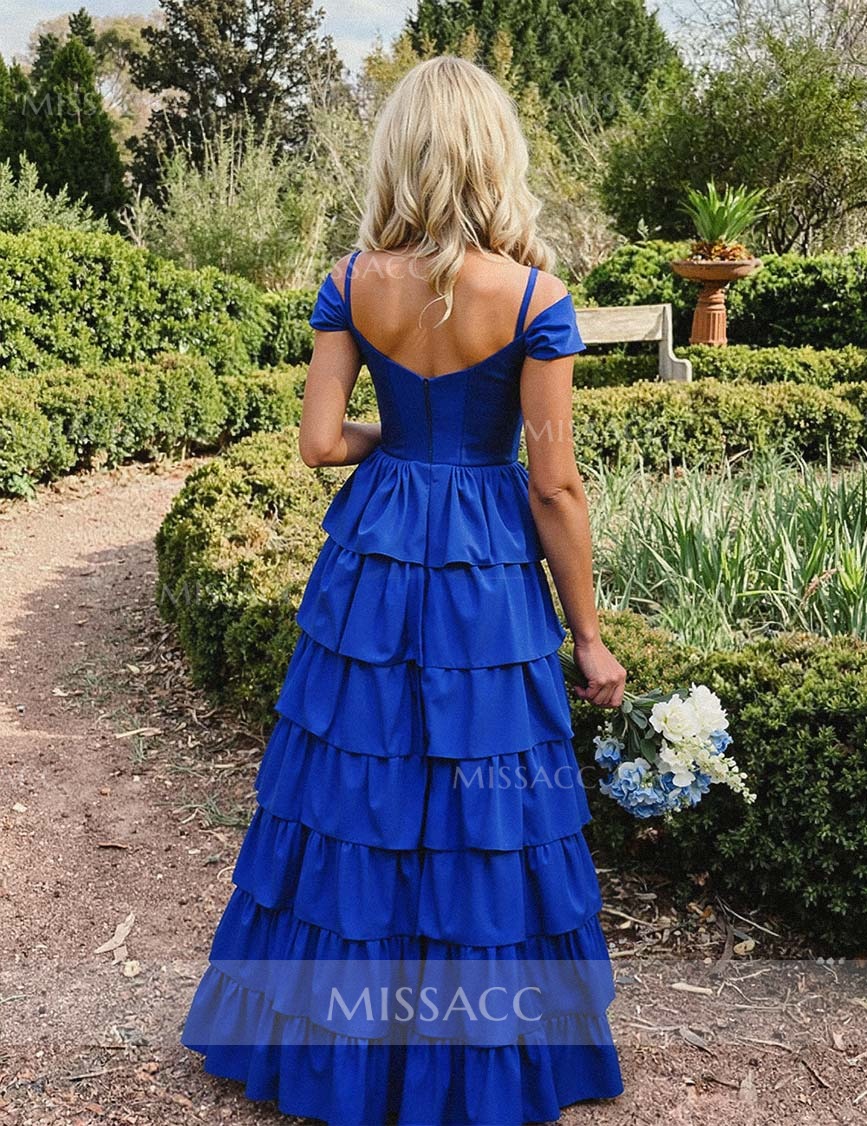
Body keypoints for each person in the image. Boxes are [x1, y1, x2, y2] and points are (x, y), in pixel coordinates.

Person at [182, 53, 627, 1124]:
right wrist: (589, 637)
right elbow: (554, 482)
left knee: (355, 783)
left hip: (375, 553)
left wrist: (405, 444)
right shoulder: (536, 298)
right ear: (497, 157)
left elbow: (318, 443)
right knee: (485, 789)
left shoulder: (353, 281)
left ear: (400, 155)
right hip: (484, 567)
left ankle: (332, 1050)